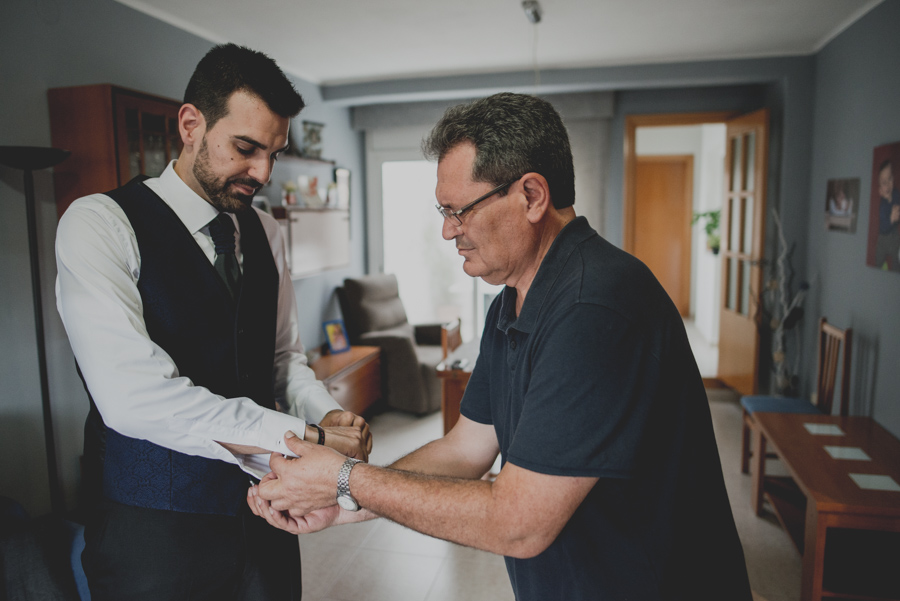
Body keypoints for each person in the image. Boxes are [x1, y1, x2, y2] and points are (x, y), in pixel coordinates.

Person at [248, 92, 753, 600]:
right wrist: (347, 503)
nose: (448, 230)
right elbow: (465, 449)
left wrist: (346, 480)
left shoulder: (594, 306)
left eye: (458, 210)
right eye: (443, 211)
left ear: (532, 195)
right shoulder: (510, 304)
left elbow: (518, 524)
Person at [55, 43, 372, 600]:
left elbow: (281, 359)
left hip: (269, 515)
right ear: (190, 124)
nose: (263, 172)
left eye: (274, 153)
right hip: (155, 534)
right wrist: (305, 434)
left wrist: (328, 412)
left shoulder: (266, 231)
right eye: (246, 148)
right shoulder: (99, 224)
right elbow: (134, 397)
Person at [875, 158, 900, 271]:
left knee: (897, 257)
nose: (888, 185)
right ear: (880, 189)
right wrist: (891, 219)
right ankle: (882, 265)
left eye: (890, 179)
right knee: (878, 257)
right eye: (884, 183)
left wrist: (897, 214)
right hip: (883, 237)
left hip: (894, 235)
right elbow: (884, 226)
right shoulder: (882, 205)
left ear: (893, 179)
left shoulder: (896, 194)